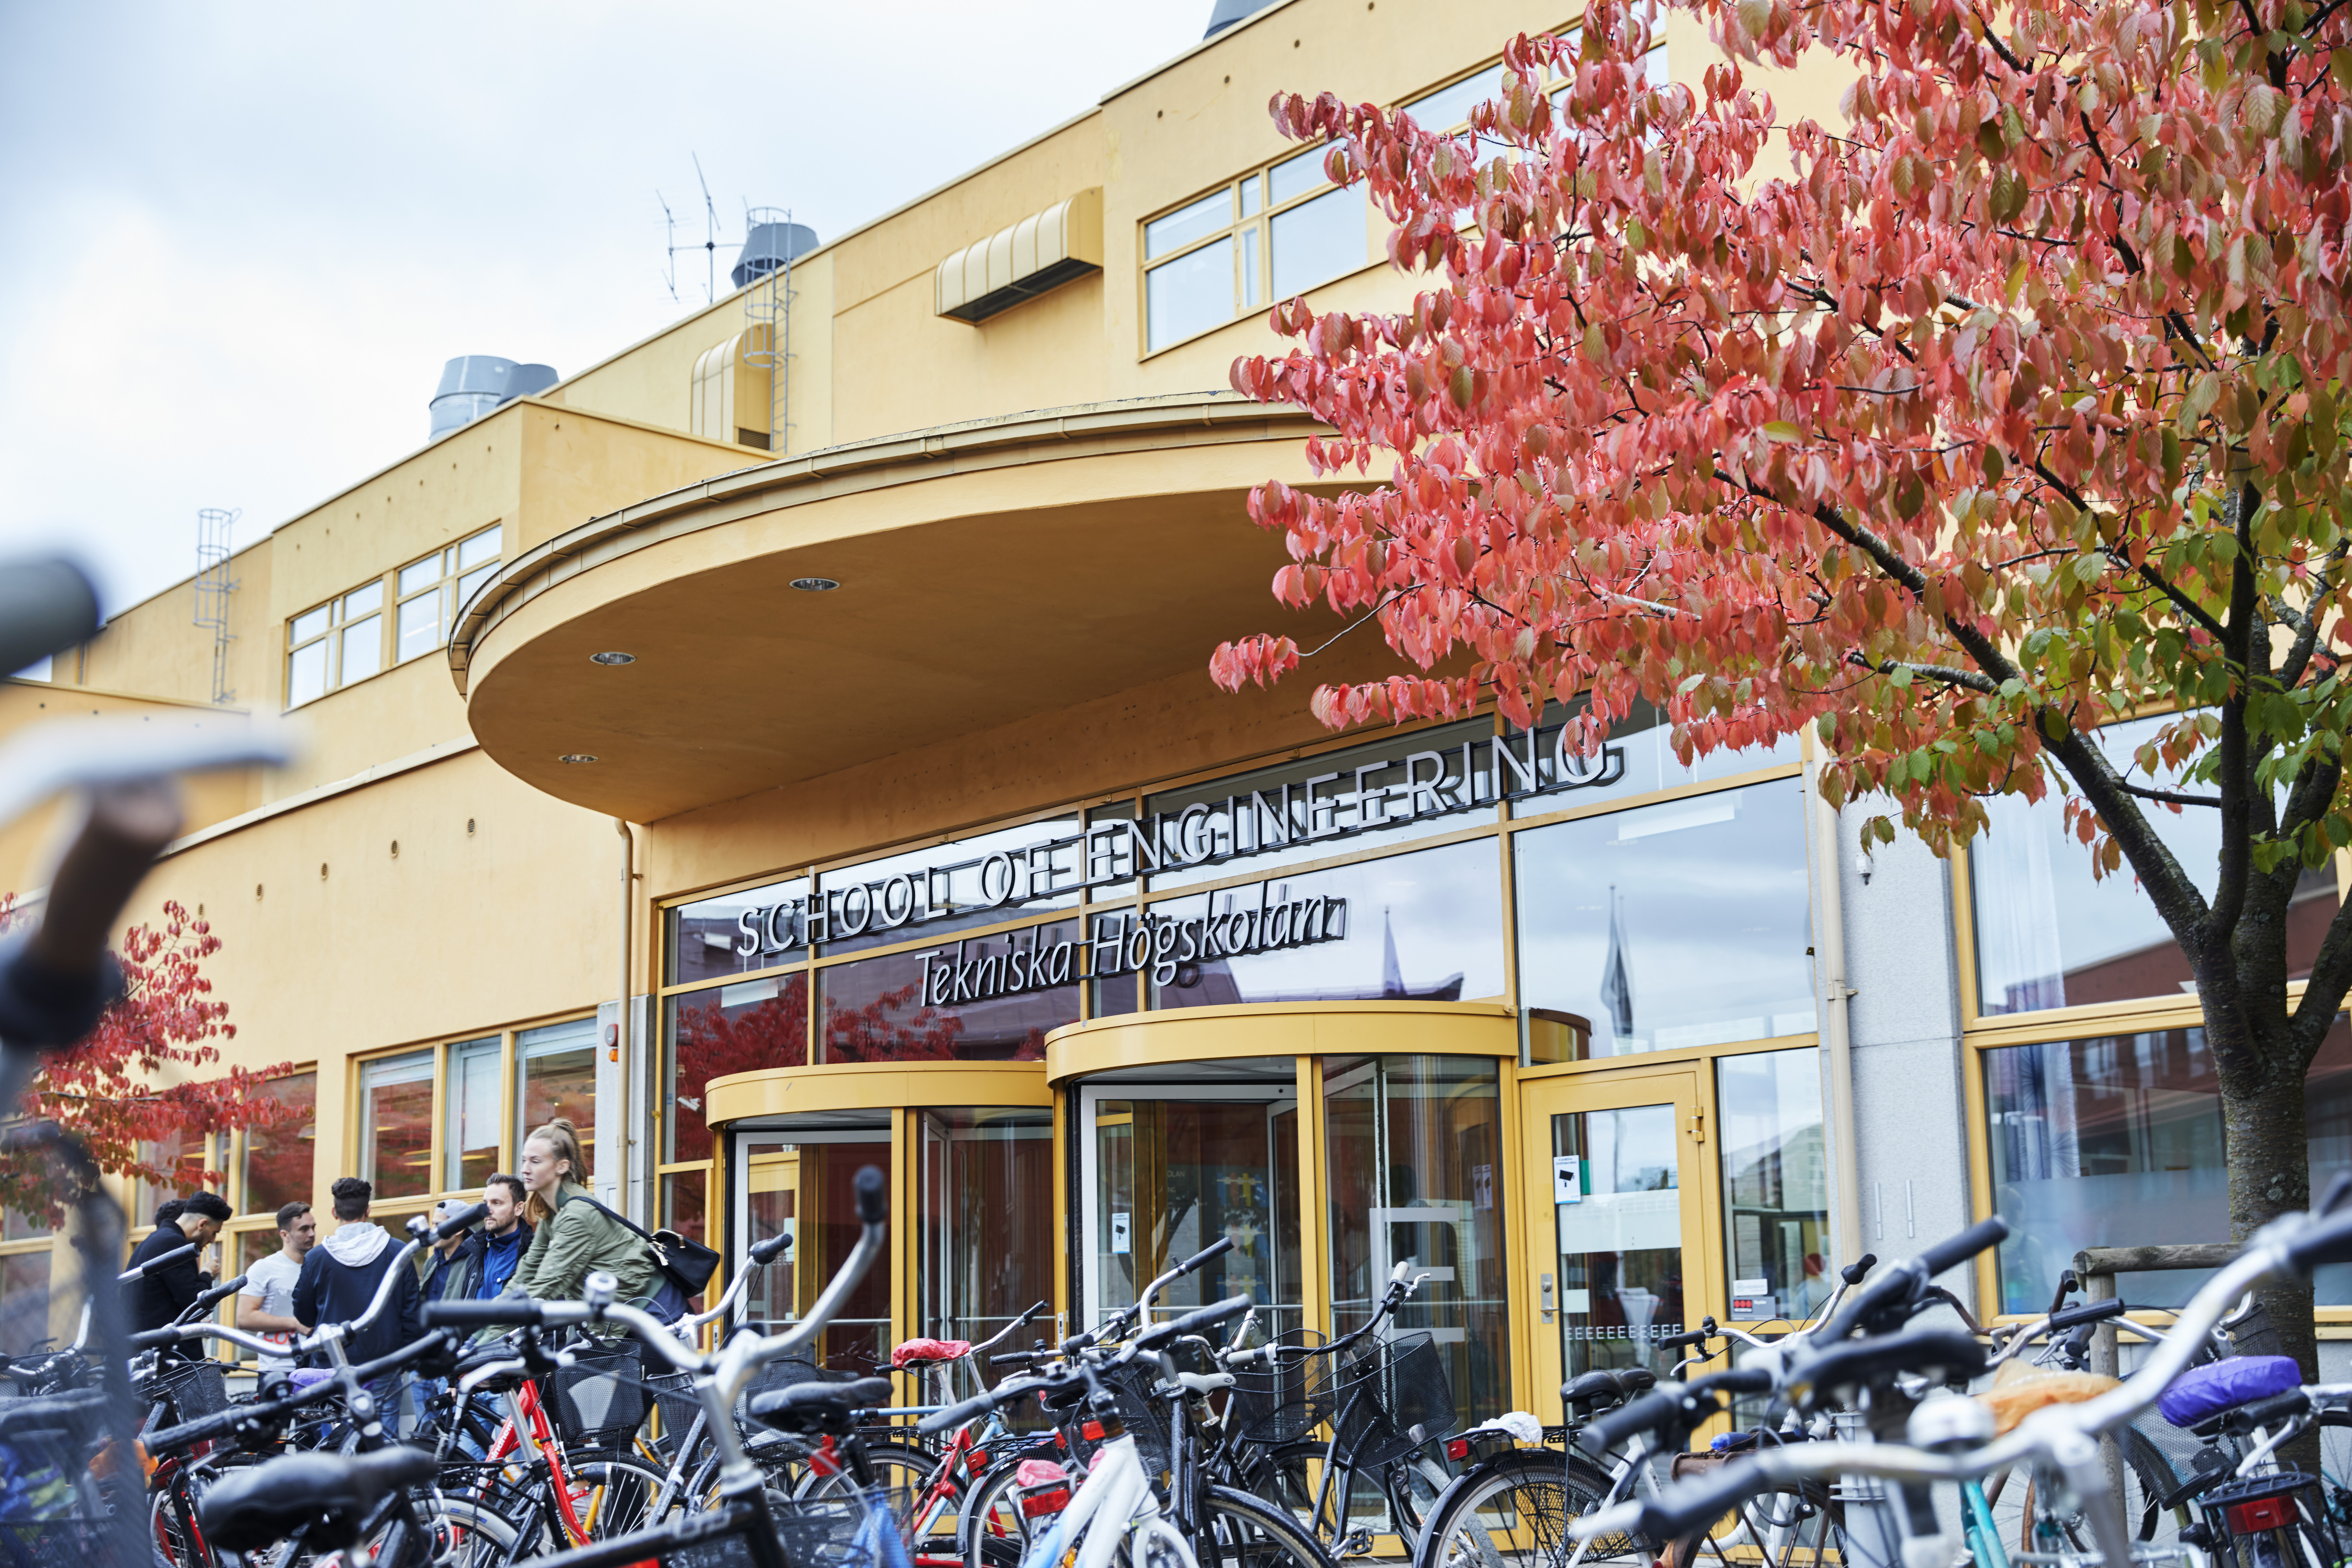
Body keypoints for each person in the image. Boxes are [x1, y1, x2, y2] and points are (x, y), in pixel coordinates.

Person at [506, 1119, 656, 1327]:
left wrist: (491, 1331)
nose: (525, 1169)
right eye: (524, 1160)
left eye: (535, 1161)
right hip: (618, 1319)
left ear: (562, 1166)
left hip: (651, 1313)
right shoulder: (553, 1213)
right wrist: (487, 1323)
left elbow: (547, 1283)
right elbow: (529, 1268)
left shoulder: (576, 1215)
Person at [292, 1176, 421, 1374]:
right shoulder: (398, 1252)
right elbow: (412, 1312)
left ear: (335, 1213)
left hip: (332, 1365)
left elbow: (304, 1314)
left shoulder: (316, 1258)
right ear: (368, 1211)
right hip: (385, 1365)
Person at [127, 1191, 232, 1361]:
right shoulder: (174, 1244)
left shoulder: (153, 1241)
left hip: (147, 1352)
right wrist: (207, 1274)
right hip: (169, 1360)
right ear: (202, 1224)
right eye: (215, 1233)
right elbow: (195, 1303)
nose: (213, 1240)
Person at [236, 1201, 318, 1372]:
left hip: (315, 1367)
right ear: (285, 1235)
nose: (312, 1234)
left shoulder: (318, 1267)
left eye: (313, 1227)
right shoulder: (264, 1268)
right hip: (277, 1370)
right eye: (304, 1229)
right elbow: (244, 1318)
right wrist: (294, 1323)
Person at [472, 1174, 532, 1299]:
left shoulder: (532, 1253)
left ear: (519, 1209)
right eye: (485, 1203)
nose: (487, 1210)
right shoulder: (474, 1252)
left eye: (497, 1203)